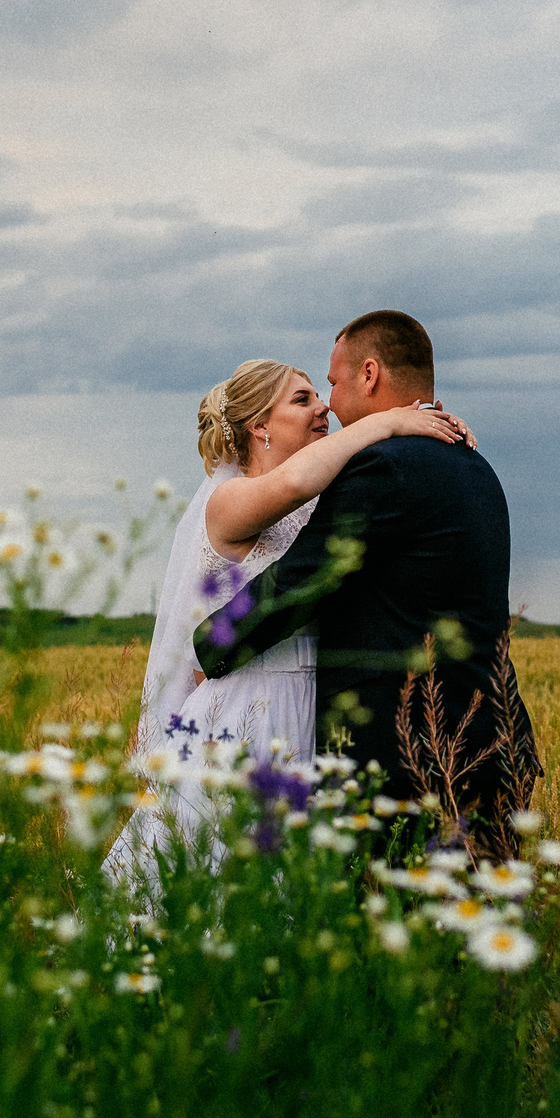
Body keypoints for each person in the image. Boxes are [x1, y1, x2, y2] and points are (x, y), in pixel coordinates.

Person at [100, 355, 473, 896]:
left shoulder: (316, 502)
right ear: (258, 427)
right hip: (246, 714)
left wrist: (428, 432)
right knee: (224, 878)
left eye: (317, 395)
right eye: (301, 399)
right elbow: (298, 480)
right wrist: (388, 421)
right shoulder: (227, 501)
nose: (322, 406)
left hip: (310, 710)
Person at [192, 310, 538, 861]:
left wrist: (211, 644)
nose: (328, 401)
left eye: (331, 382)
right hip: (491, 739)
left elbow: (302, 583)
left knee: (398, 931)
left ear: (370, 374)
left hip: (409, 757)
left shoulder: (386, 465)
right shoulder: (472, 460)